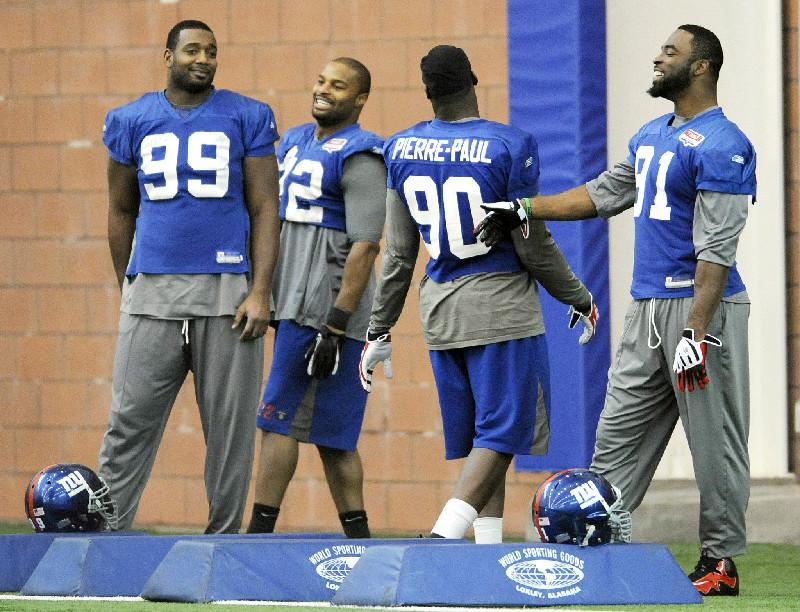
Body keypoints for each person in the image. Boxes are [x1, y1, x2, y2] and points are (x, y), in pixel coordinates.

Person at [476, 25, 753, 595]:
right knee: (615, 437)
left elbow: (717, 249)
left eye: (671, 53)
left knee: (714, 444)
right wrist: (523, 207)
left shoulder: (726, 142)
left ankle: (720, 563)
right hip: (645, 308)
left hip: (702, 310)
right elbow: (601, 194)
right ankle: (596, 549)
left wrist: (696, 333)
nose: (657, 58)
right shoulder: (652, 133)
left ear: (701, 67)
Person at [359, 45, 598, 544]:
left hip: (441, 309)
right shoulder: (508, 145)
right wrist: (577, 295)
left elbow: (400, 254)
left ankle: (484, 555)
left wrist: (378, 328)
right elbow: (531, 242)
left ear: (427, 91)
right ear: (473, 78)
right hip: (499, 304)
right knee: (502, 434)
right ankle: (444, 538)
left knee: (482, 441)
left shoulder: (400, 147)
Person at [99, 20, 280, 534]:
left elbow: (267, 207)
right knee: (128, 420)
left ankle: (221, 540)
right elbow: (119, 210)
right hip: (151, 288)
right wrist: (127, 286)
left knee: (229, 432)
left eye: (212, 51)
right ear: (168, 56)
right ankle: (106, 534)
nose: (204, 59)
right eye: (193, 50)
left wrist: (261, 290)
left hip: (228, 289)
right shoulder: (130, 119)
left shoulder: (246, 115)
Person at [246, 58, 385, 539]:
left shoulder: (362, 155)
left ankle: (258, 534)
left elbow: (366, 244)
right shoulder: (298, 140)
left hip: (325, 313)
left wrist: (336, 323)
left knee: (278, 420)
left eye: (338, 86)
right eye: (321, 80)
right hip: (298, 306)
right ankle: (359, 542)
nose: (324, 90)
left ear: (360, 99)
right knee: (332, 436)